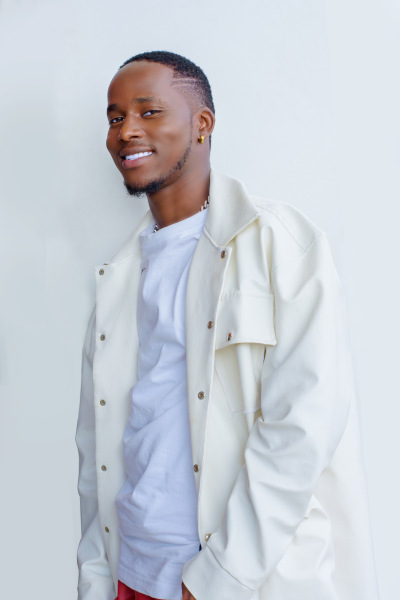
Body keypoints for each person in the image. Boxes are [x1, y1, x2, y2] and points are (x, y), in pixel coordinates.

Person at [76, 51, 379, 600]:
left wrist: (219, 579)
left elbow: (302, 427)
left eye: (148, 111)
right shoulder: (115, 278)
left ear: (202, 123)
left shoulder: (281, 245)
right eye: (115, 117)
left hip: (237, 581)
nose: (126, 131)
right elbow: (95, 444)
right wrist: (96, 576)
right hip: (132, 572)